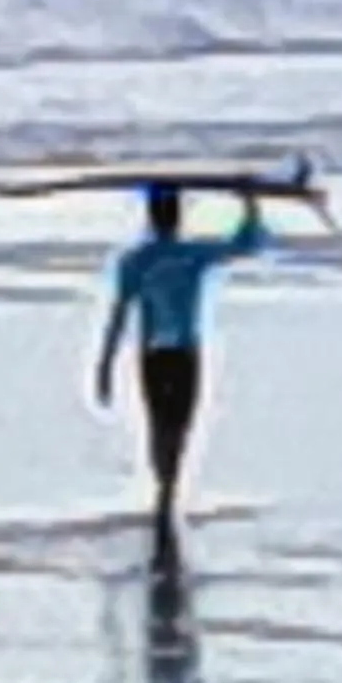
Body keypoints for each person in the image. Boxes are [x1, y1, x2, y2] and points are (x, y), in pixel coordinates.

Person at [93, 184, 268, 526]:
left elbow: (119, 314)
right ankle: (168, 490)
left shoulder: (135, 260)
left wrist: (104, 365)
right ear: (177, 218)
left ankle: (165, 488)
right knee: (180, 423)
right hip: (184, 354)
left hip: (154, 355)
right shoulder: (192, 254)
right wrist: (249, 203)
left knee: (159, 424)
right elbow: (248, 242)